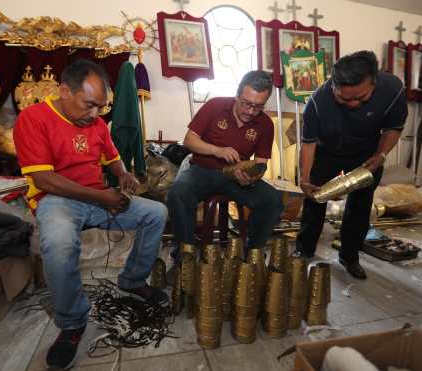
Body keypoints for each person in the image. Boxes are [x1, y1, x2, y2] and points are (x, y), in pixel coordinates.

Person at [13, 59, 168, 370]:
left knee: (156, 213)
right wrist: (102, 197)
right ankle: (71, 324)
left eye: (100, 106)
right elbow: (44, 179)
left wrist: (123, 176)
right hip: (56, 200)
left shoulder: (95, 124)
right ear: (64, 91)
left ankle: (133, 279)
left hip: (98, 198)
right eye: (89, 105)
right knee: (58, 242)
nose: (96, 114)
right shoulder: (34, 119)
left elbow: (113, 159)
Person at [295, 50, 408, 279]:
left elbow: (393, 127)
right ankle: (304, 250)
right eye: (345, 98)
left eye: (361, 97)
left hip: (367, 152)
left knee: (360, 205)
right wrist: (305, 179)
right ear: (334, 85)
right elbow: (308, 145)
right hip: (327, 151)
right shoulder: (317, 102)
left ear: (374, 83)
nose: (354, 104)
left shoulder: (392, 89)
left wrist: (382, 154)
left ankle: (350, 256)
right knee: (315, 200)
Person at [167, 70, 283, 263]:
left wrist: (252, 176)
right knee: (178, 193)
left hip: (236, 178)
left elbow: (261, 163)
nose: (250, 111)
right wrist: (217, 150)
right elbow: (189, 140)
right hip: (201, 170)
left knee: (272, 200)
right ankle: (184, 255)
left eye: (257, 107)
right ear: (237, 95)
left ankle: (252, 254)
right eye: (246, 104)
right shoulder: (215, 106)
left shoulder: (265, 124)